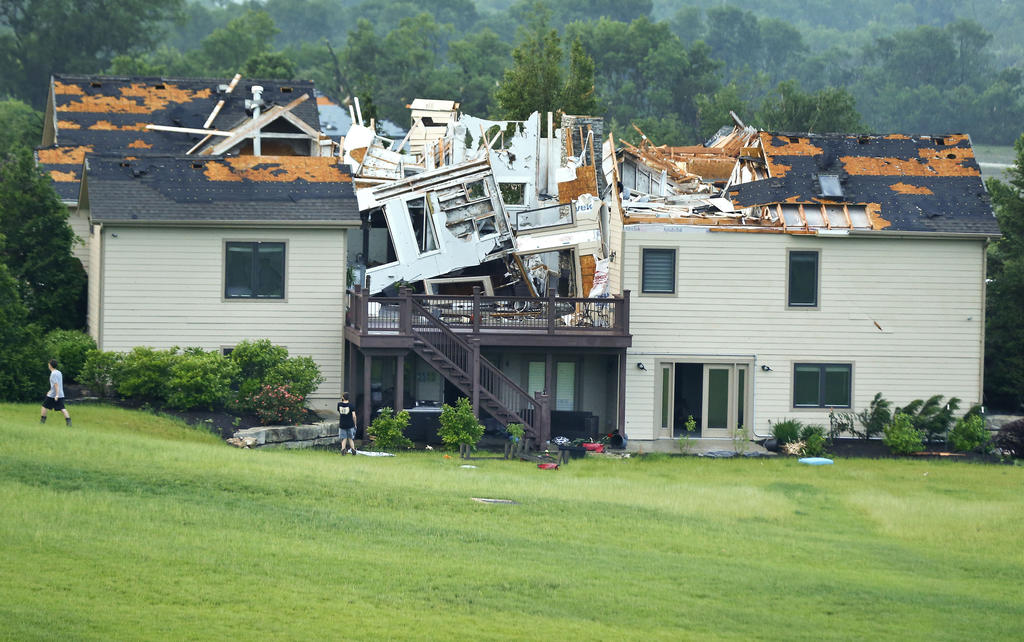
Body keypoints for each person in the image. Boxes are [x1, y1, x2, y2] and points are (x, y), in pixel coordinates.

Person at [40, 359, 71, 427]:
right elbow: (57, 384)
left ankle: (42, 422)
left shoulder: (53, 374)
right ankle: (69, 423)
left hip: (53, 395)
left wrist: (56, 395)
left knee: (44, 406)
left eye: (48, 364)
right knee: (62, 408)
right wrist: (51, 390)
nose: (48, 365)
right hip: (60, 394)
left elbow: (56, 384)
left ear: (50, 365)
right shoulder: (59, 372)